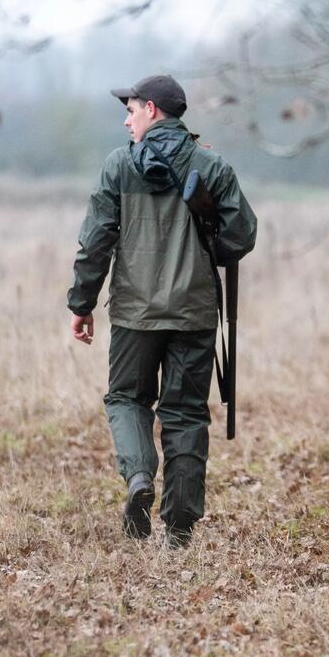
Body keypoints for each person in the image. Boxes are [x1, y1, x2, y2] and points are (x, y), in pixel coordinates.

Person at [67, 74, 257, 546]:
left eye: (130, 110)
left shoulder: (117, 166)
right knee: (187, 413)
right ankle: (179, 528)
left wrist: (82, 303)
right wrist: (206, 235)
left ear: (152, 109)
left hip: (134, 314)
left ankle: (139, 479)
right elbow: (242, 237)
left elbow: (95, 242)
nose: (126, 119)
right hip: (194, 313)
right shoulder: (212, 165)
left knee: (127, 399)